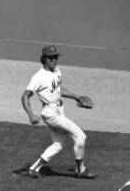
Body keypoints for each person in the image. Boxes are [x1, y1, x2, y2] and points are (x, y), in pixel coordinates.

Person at [20, 45, 97, 179]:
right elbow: (25, 96)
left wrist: (77, 97)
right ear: (44, 59)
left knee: (58, 145)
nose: (54, 59)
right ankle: (81, 170)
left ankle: (33, 169)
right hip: (51, 113)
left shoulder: (57, 71)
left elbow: (59, 90)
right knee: (80, 136)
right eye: (51, 58)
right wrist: (30, 115)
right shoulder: (39, 77)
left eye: (56, 57)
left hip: (58, 111)